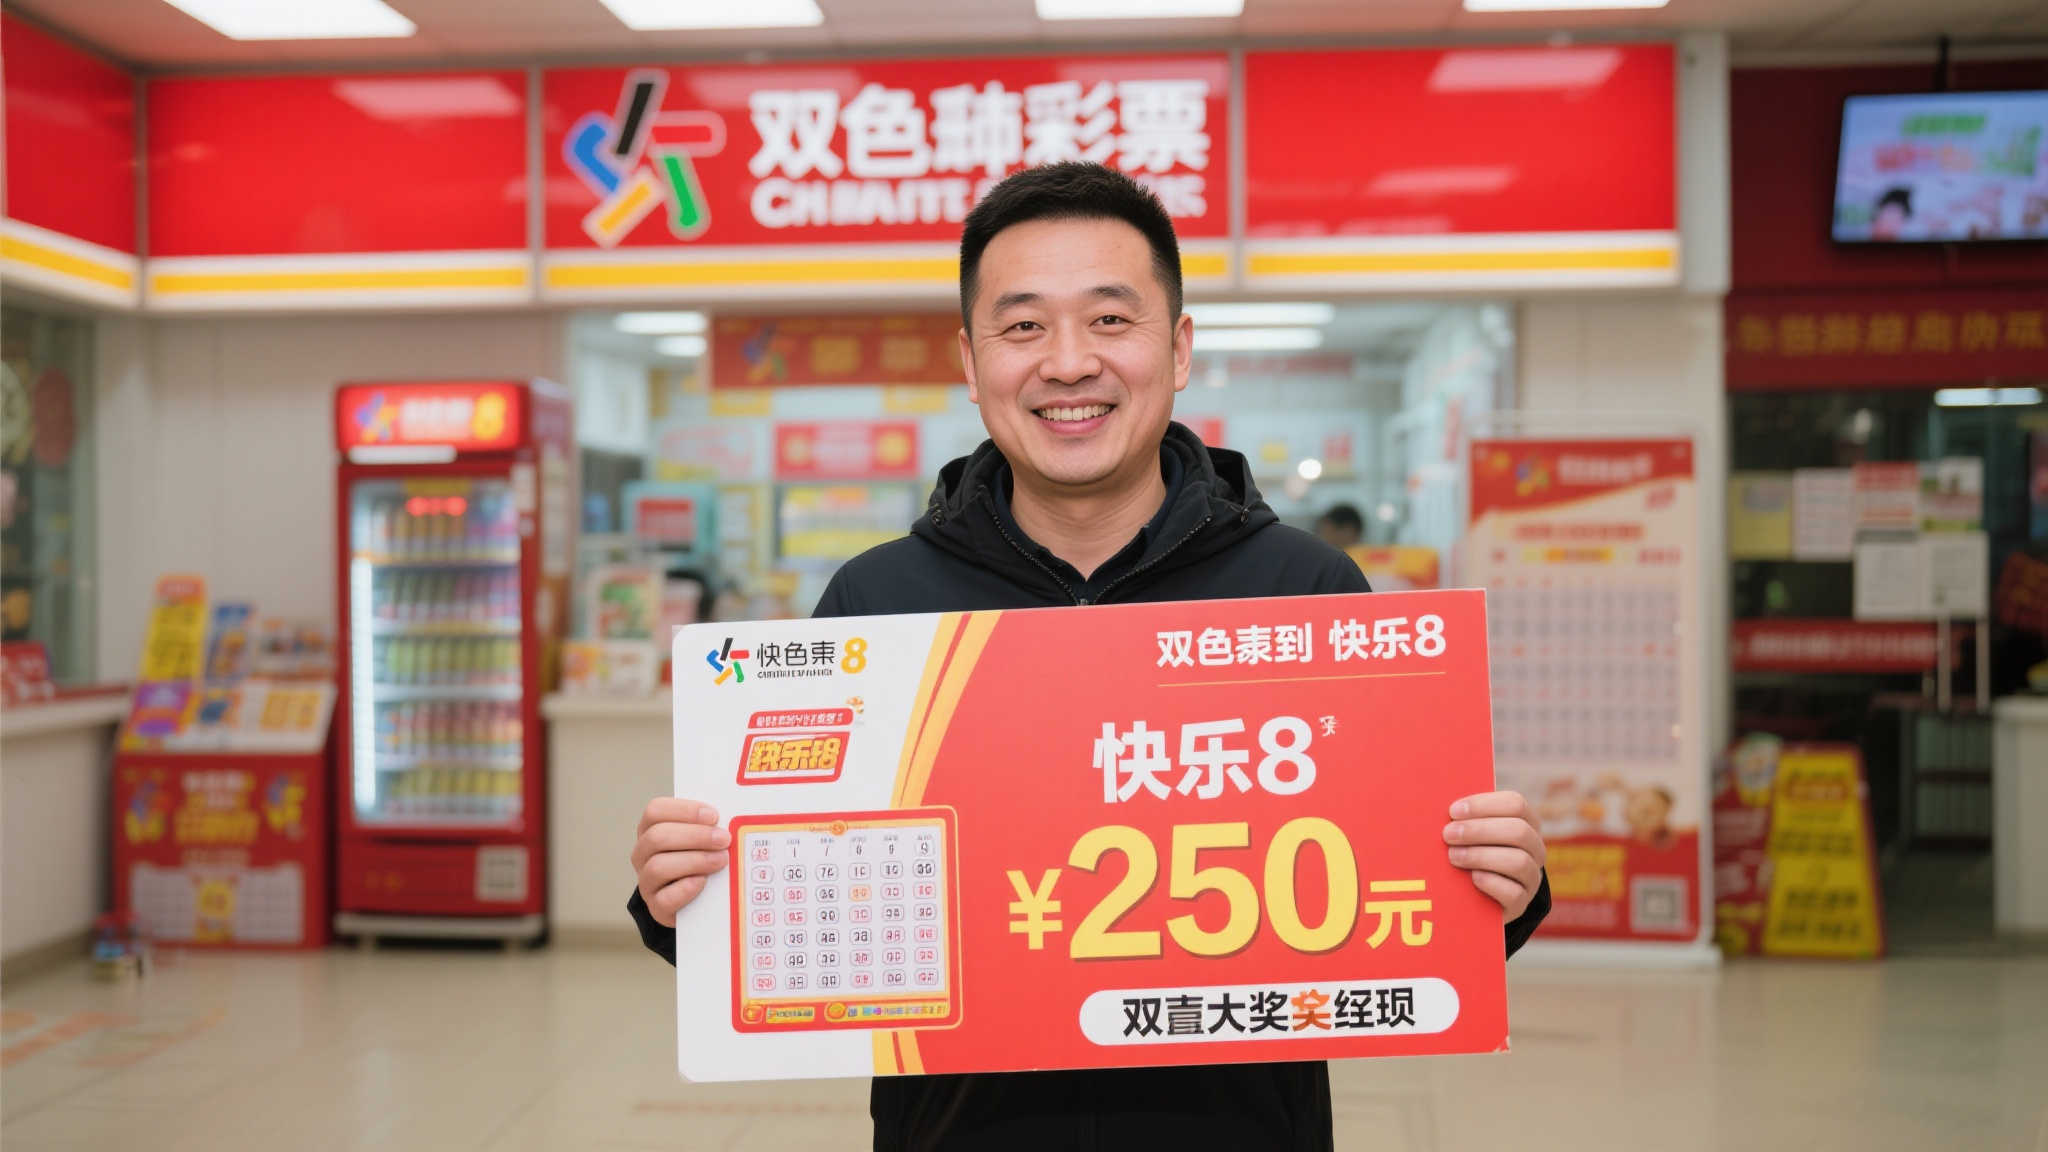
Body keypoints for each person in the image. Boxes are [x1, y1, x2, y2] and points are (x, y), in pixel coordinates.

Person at [629, 161, 1551, 1152]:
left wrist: (1497, 885)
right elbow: (809, 920)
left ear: (1178, 347)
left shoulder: (1304, 590)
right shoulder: (877, 605)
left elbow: (1390, 903)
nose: (1068, 363)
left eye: (1110, 319)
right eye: (1023, 326)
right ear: (971, 362)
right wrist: (687, 899)